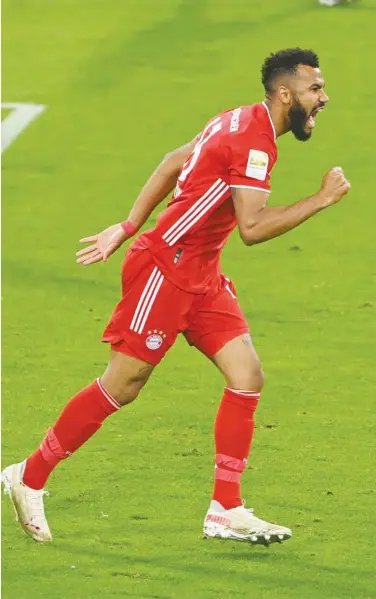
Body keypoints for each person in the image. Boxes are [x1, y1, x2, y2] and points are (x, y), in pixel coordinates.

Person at [2, 48, 350, 546]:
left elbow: (173, 160)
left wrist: (127, 224)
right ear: (285, 94)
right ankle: (28, 476)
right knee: (121, 386)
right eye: (316, 90)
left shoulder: (236, 117)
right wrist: (319, 200)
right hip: (164, 273)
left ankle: (225, 508)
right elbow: (251, 227)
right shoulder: (255, 143)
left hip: (202, 274)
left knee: (247, 375)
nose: (324, 98)